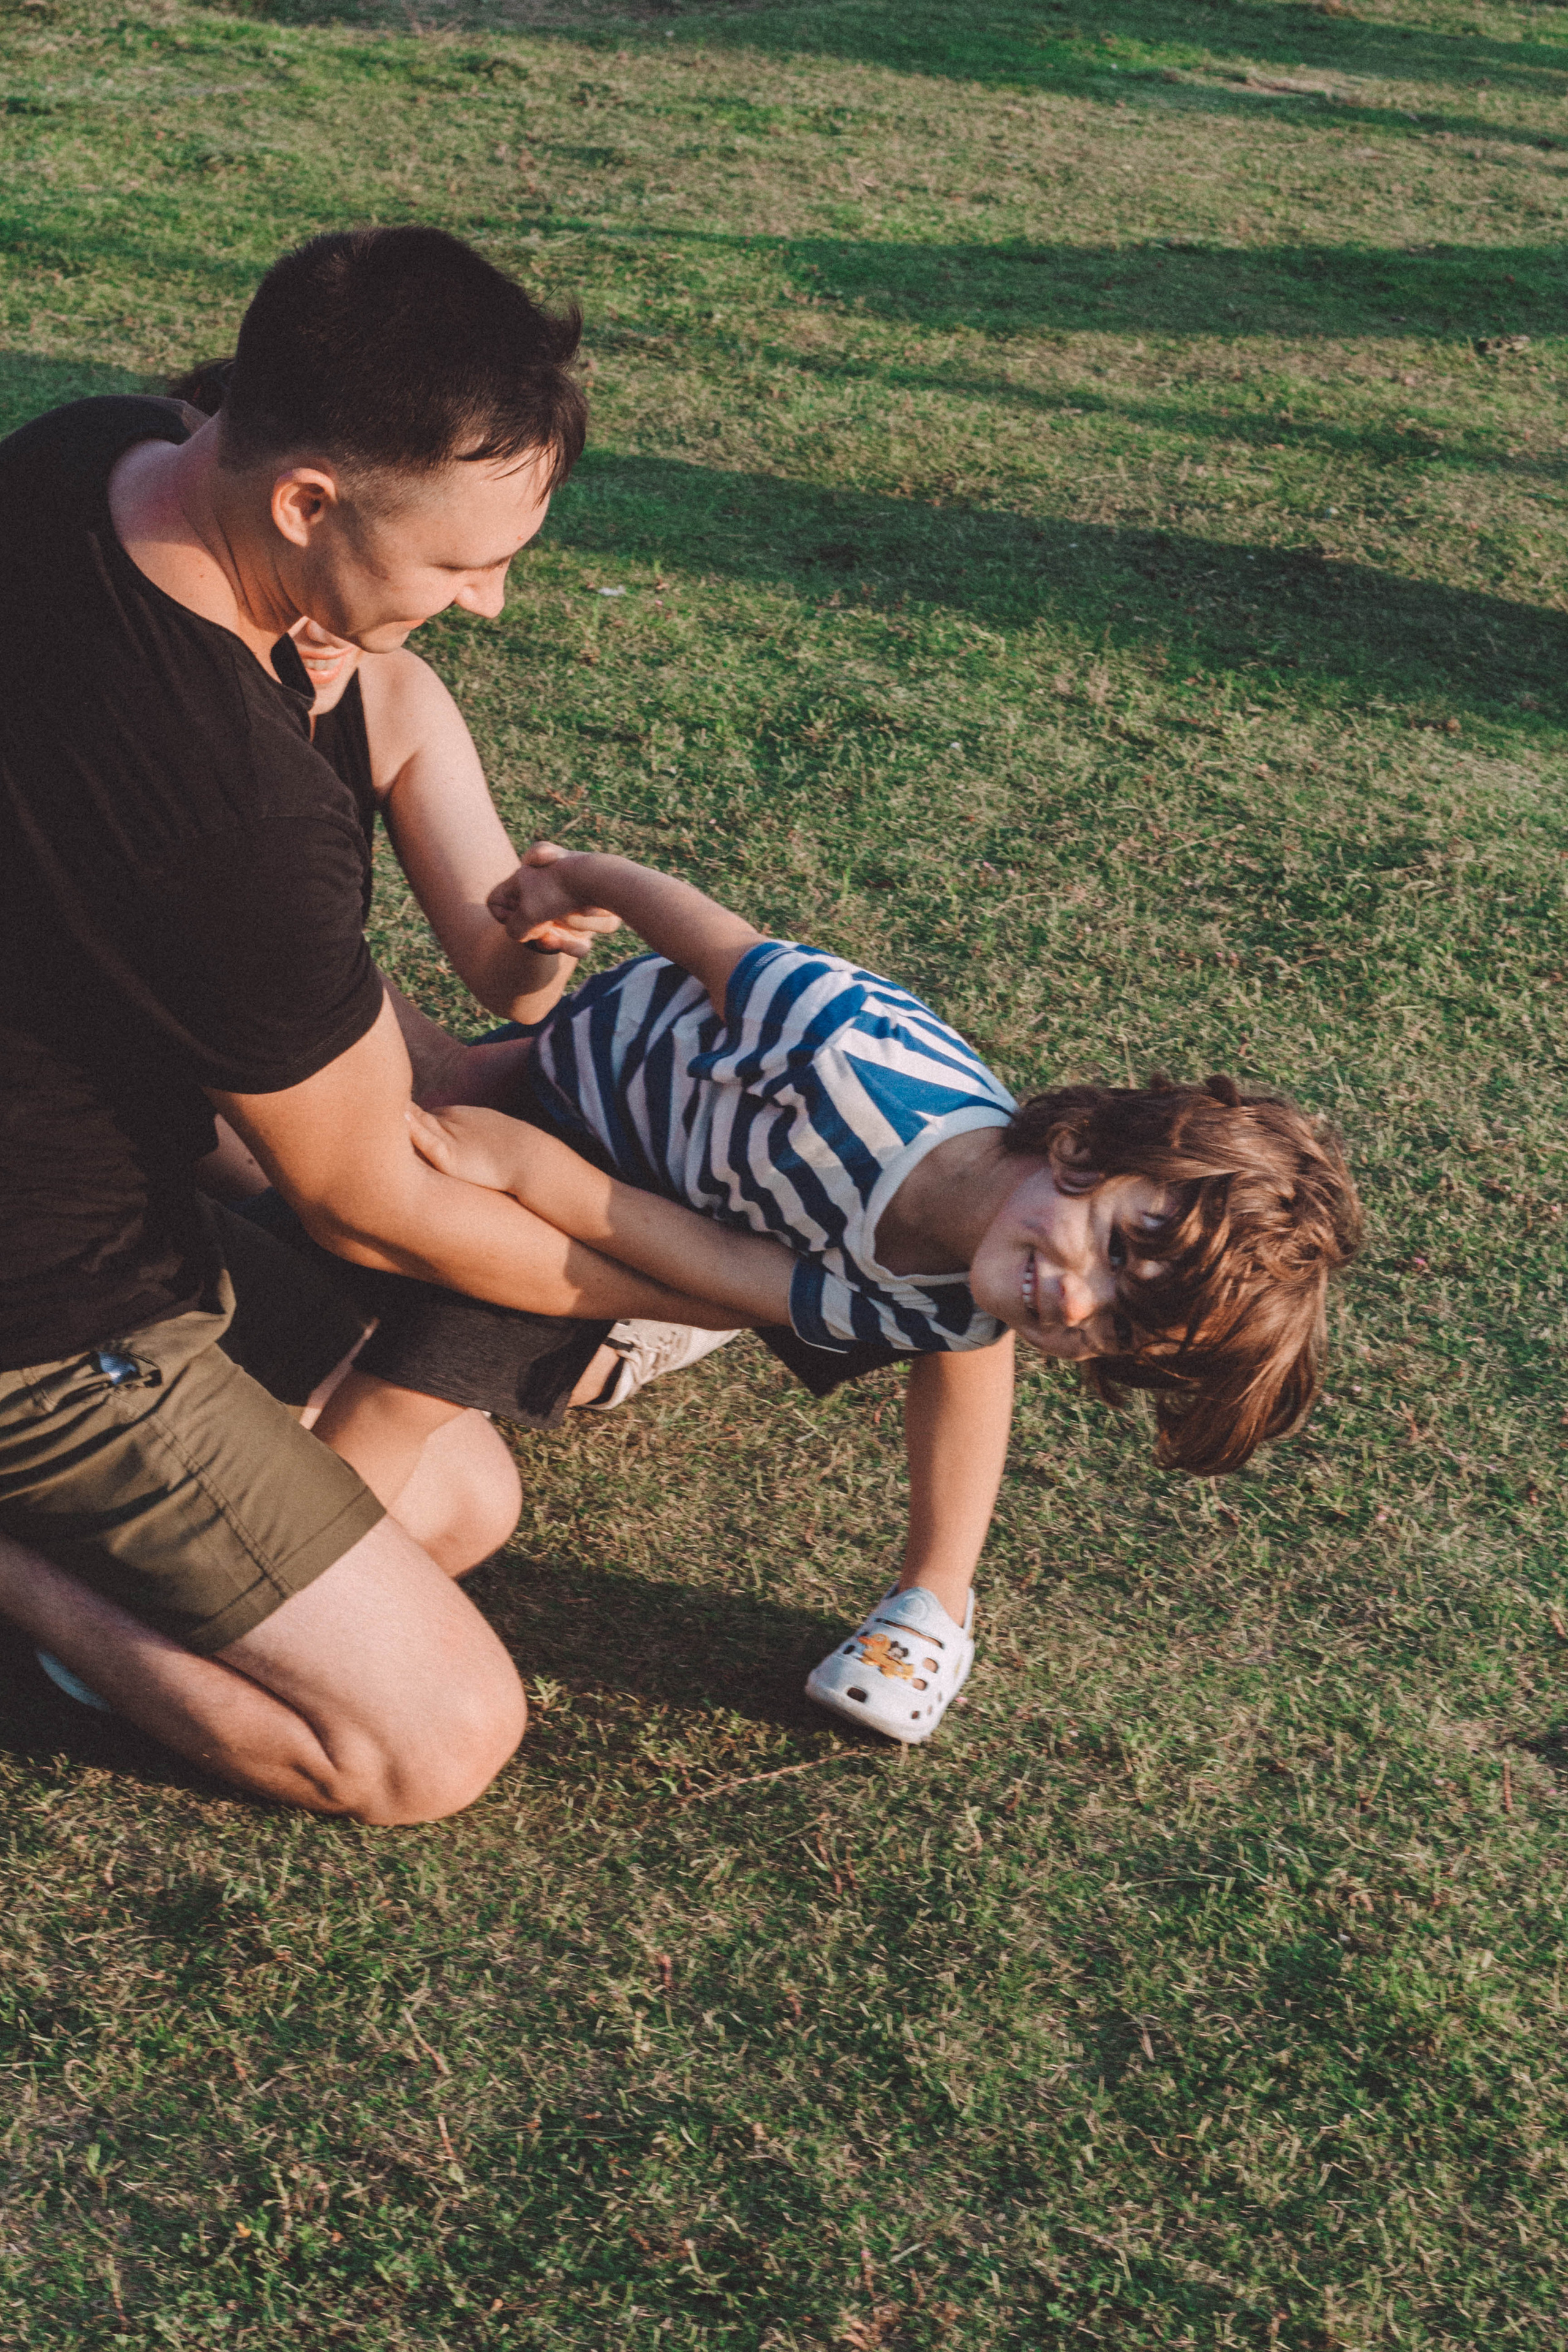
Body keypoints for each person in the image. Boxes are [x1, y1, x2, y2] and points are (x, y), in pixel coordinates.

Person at [0, 226, 789, 1822]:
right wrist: (768, 1286)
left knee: (461, 1494)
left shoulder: (90, 453)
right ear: (307, 500)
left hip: (62, 1139)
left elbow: (390, 1066)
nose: (489, 606)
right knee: (430, 1739)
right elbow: (375, 1189)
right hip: (42, 1315)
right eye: (456, 564)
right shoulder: (234, 818)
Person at [393, 843, 1364, 1743]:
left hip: (712, 1218)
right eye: (1110, 1249)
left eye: (1115, 1327)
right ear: (1080, 1147)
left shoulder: (962, 1298)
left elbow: (728, 1272)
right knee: (434, 1098)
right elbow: (719, 946)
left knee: (947, 1321)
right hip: (601, 1077)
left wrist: (538, 1182)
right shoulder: (849, 1055)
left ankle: (936, 1602)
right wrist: (590, 879)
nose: (1073, 1307)